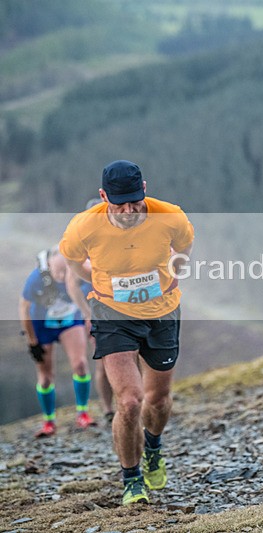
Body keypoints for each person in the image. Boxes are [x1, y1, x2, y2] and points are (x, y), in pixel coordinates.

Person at [60, 160, 194, 506]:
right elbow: (74, 263)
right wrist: (102, 283)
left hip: (161, 312)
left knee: (157, 400)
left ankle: (153, 447)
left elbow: (184, 247)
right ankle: (131, 478)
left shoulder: (170, 216)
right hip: (112, 314)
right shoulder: (83, 227)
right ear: (104, 196)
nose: (129, 210)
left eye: (135, 201)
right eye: (120, 204)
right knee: (130, 400)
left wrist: (176, 271)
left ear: (144, 189)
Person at [19, 247, 97, 438]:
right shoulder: (37, 278)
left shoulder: (80, 274)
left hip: (70, 321)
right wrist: (32, 342)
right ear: (50, 266)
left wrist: (91, 323)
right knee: (45, 376)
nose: (62, 277)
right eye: (58, 272)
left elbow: (91, 299)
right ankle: (49, 421)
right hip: (42, 325)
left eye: (66, 272)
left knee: (80, 364)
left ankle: (83, 413)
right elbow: (24, 308)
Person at [65, 197, 115, 425]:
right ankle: (107, 408)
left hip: (121, 306)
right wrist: (86, 312)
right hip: (97, 310)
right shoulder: (84, 243)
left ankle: (135, 402)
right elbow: (71, 282)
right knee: (103, 362)